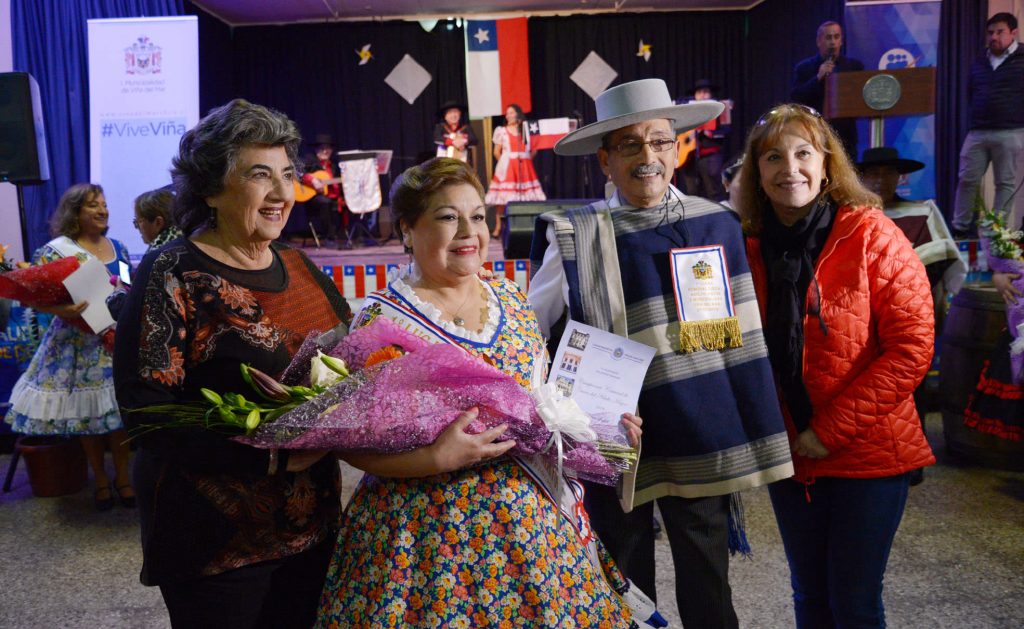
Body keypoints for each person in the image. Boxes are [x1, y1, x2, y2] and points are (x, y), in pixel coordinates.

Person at [317, 157, 644, 627]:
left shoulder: (510, 297)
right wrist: (435, 458)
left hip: (533, 523)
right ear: (407, 229)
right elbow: (351, 446)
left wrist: (603, 425)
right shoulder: (382, 321)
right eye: (448, 217)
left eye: (477, 216)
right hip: (427, 540)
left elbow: (545, 403)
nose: (469, 232)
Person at [529, 78, 794, 629]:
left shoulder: (716, 223)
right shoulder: (575, 233)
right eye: (629, 145)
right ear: (605, 160)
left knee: (708, 582)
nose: (646, 157)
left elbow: (744, 334)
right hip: (612, 435)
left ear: (676, 150)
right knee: (622, 583)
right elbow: (531, 327)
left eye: (658, 142)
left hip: (700, 429)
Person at [114, 100, 352, 628]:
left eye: (286, 174)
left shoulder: (299, 264)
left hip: (311, 527)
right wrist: (270, 458)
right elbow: (147, 414)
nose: (282, 192)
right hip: (215, 541)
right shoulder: (172, 272)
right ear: (210, 188)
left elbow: (353, 357)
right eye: (259, 175)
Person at [738, 103, 936, 627]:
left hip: (868, 453)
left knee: (854, 604)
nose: (790, 169)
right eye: (773, 157)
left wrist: (827, 432)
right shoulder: (744, 248)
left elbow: (911, 350)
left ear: (827, 164)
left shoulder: (872, 235)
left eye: (803, 153)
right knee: (809, 597)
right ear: (756, 172)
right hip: (790, 455)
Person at [5, 183, 135, 511]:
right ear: (75, 212)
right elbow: (36, 299)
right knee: (88, 417)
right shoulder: (54, 251)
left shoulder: (119, 247)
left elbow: (129, 286)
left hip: (115, 340)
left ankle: (123, 478)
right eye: (93, 205)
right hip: (76, 344)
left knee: (120, 415)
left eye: (104, 204)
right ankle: (101, 481)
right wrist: (63, 310)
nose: (102, 210)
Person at [950, 12, 1024, 239]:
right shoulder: (979, 60)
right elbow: (970, 92)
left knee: (1005, 183)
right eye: (990, 33)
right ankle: (960, 229)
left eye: (1000, 32)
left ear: (1013, 32)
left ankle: (996, 232)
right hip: (978, 131)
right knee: (967, 179)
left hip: (1010, 131)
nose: (994, 37)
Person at [791, 21, 864, 158]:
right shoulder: (805, 68)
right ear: (818, 41)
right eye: (828, 37)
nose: (833, 42)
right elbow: (796, 98)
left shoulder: (854, 67)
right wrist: (818, 77)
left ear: (841, 41)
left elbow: (861, 98)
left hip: (845, 136)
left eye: (836, 37)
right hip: (814, 134)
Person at [485, 103, 546, 238]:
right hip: (508, 167)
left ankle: (527, 226)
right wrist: (506, 162)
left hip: (524, 166)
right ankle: (499, 228)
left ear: (518, 114)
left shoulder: (526, 129)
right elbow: (496, 152)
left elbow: (534, 150)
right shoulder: (502, 131)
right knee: (502, 199)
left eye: (511, 113)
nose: (509, 116)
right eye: (507, 113)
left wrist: (525, 159)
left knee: (527, 197)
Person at [680, 79, 729, 201]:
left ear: (711, 94)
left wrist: (709, 133)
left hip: (710, 156)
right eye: (699, 92)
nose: (702, 95)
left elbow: (726, 130)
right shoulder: (688, 110)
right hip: (690, 158)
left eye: (705, 92)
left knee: (713, 192)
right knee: (692, 193)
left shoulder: (721, 109)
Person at [300, 134, 344, 246]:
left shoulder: (334, 165)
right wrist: (312, 180)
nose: (325, 151)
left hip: (332, 197)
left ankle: (349, 236)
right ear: (316, 149)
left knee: (347, 202)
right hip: (312, 198)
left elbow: (337, 184)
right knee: (325, 202)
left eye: (327, 148)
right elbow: (298, 172)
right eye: (322, 148)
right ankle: (329, 238)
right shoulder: (309, 160)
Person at [132, 188, 183, 253]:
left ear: (158, 222)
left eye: (139, 222)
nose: (137, 227)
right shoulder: (191, 243)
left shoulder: (156, 255)